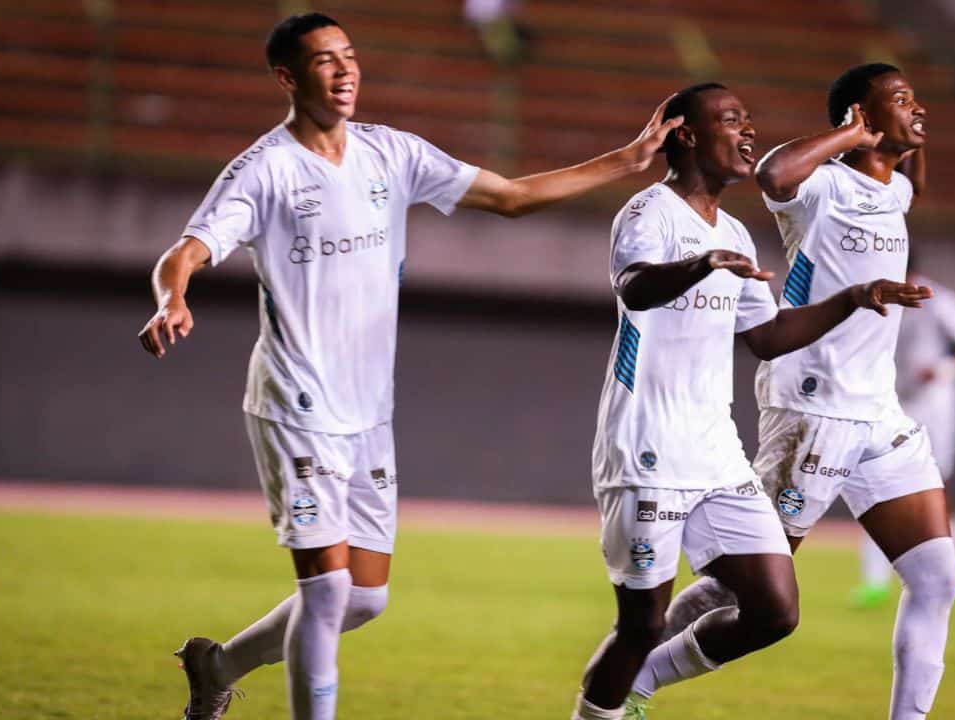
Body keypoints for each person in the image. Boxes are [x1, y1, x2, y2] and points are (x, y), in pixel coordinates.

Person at [137, 13, 684, 720]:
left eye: (350, 55)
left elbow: (511, 197)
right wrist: (170, 300)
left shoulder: (390, 154)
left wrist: (626, 159)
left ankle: (218, 666)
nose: (344, 70)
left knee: (364, 597)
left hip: (369, 412)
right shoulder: (265, 169)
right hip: (295, 405)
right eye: (324, 60)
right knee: (326, 592)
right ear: (287, 78)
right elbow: (185, 251)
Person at [572, 82, 931, 720]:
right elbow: (634, 287)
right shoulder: (648, 212)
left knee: (775, 609)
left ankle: (641, 690)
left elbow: (768, 337)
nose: (748, 131)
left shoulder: (734, 229)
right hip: (647, 448)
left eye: (749, 120)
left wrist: (852, 298)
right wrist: (700, 264)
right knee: (641, 625)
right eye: (732, 120)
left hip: (717, 453)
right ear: (686, 134)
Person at [853, 259, 955, 608]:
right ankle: (874, 581)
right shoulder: (870, 297)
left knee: (939, 484)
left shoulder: (937, 299)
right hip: (887, 402)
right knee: (874, 480)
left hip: (933, 407)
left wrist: (946, 368)